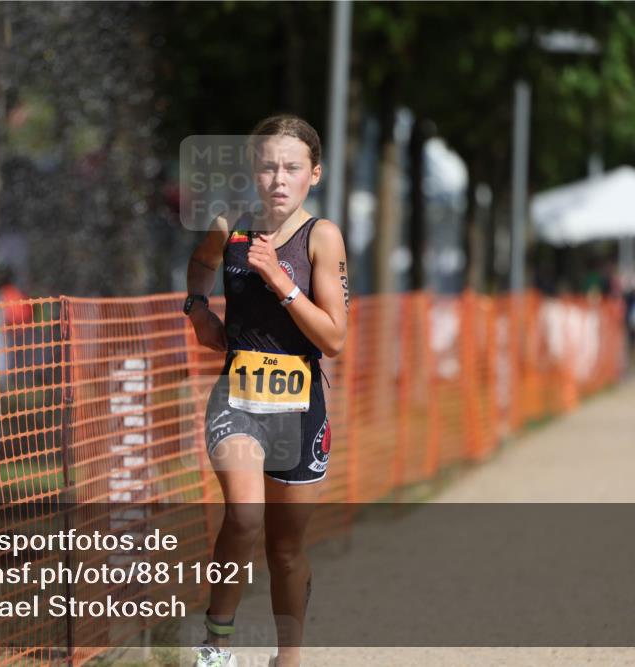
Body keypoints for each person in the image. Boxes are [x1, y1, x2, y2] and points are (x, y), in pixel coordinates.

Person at [183, 115, 349, 667]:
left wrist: (281, 282)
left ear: (314, 175)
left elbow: (334, 338)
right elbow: (202, 263)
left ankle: (289, 658)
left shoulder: (321, 237)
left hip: (300, 409)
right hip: (237, 400)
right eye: (268, 166)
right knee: (246, 516)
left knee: (284, 548)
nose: (279, 178)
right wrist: (197, 308)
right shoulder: (230, 225)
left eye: (292, 167)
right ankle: (216, 647)